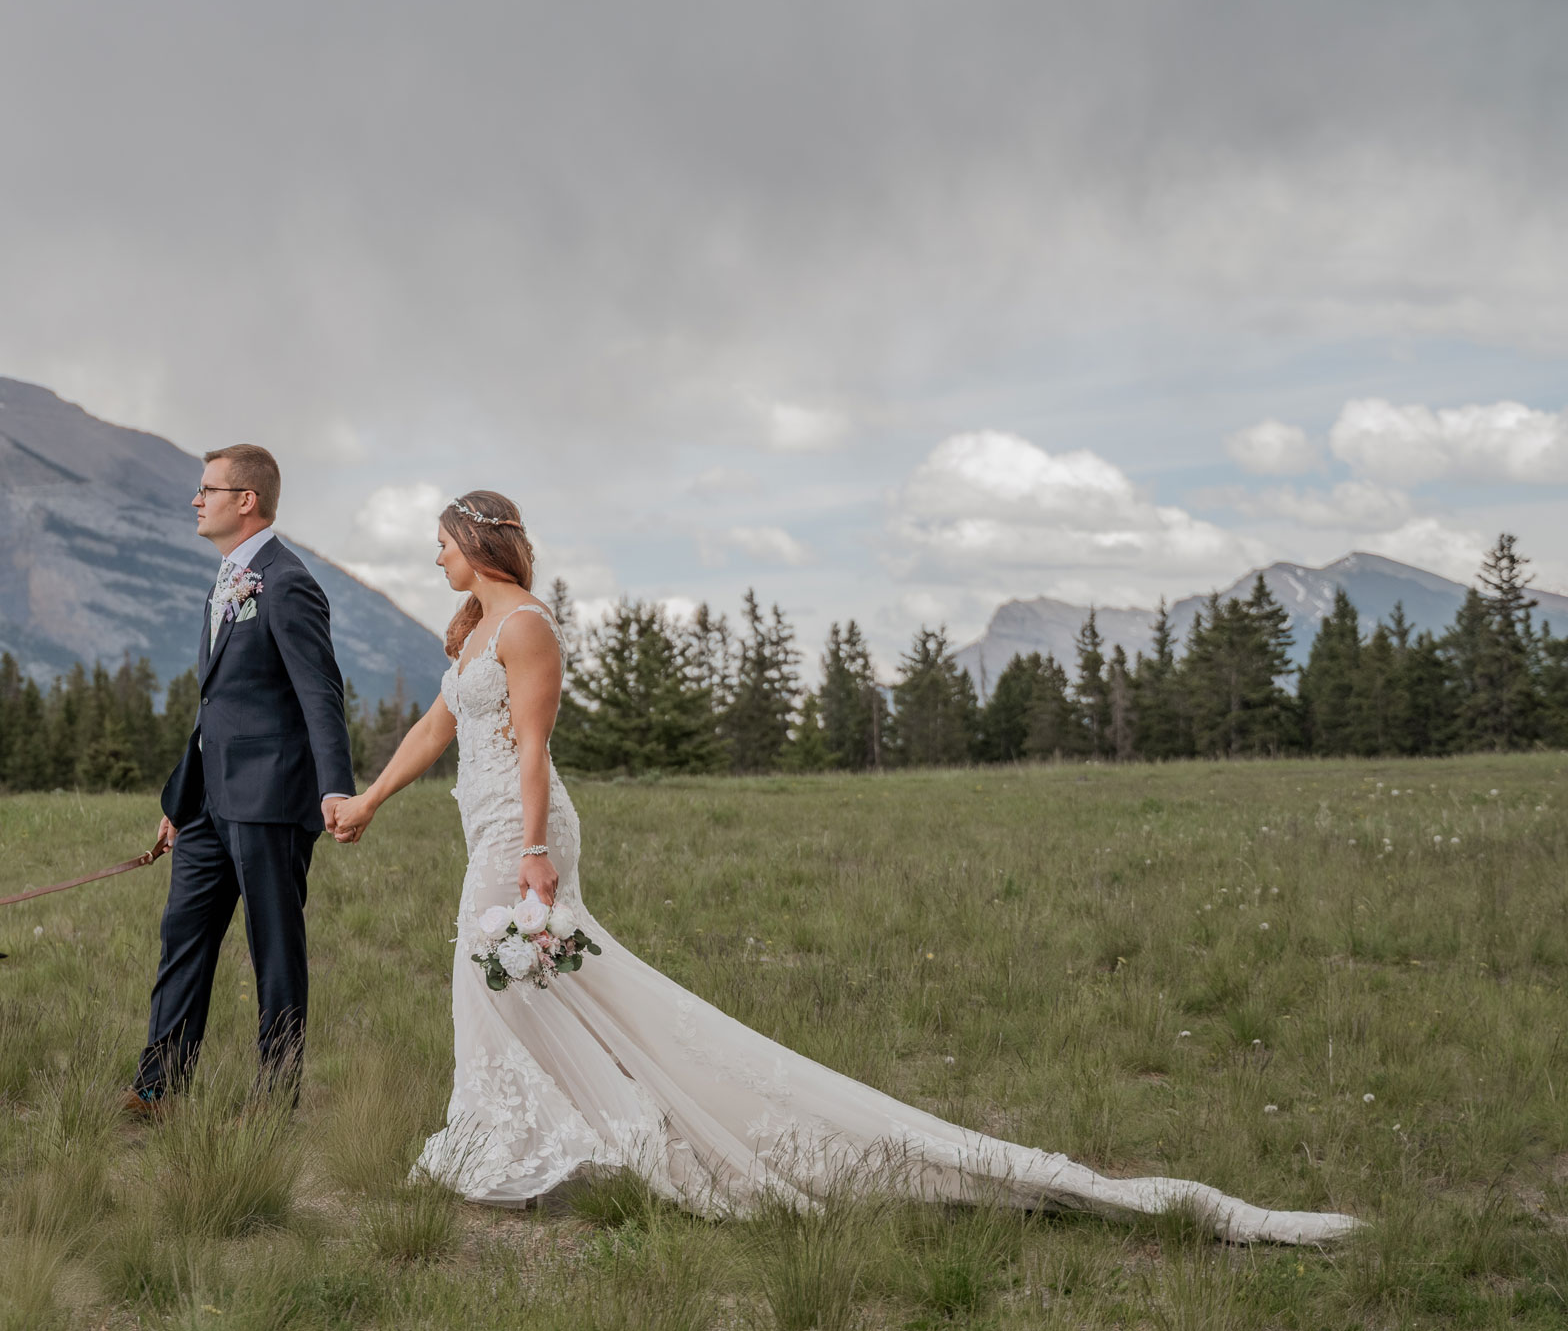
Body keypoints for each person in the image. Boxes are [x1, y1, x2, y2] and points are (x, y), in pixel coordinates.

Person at [322, 491, 1358, 1243]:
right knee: (510, 985)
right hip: (486, 826)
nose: (436, 561)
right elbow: (432, 728)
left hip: (522, 832)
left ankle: (580, 1138)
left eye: (443, 547)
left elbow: (534, 749)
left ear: (476, 543)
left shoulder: (527, 626)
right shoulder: (471, 636)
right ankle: (538, 1138)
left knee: (513, 972)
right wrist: (367, 798)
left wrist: (538, 854)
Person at [126, 445, 355, 1114]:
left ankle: (276, 1094)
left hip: (273, 803)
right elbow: (215, 707)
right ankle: (156, 1087)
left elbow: (322, 695)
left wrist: (335, 789)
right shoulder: (227, 577)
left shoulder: (286, 583)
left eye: (208, 489)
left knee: (274, 952)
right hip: (208, 806)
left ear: (245, 499)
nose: (197, 500)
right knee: (182, 937)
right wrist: (181, 798)